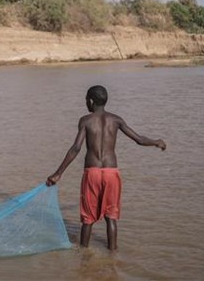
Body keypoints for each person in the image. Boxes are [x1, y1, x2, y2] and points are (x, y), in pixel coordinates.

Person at [46, 85, 166, 251]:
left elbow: (76, 148)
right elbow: (139, 139)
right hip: (111, 173)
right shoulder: (116, 120)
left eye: (86, 99)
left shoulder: (86, 120)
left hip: (92, 172)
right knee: (111, 216)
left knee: (87, 219)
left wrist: (58, 173)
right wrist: (156, 141)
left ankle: (84, 256)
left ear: (91, 101)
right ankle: (113, 254)